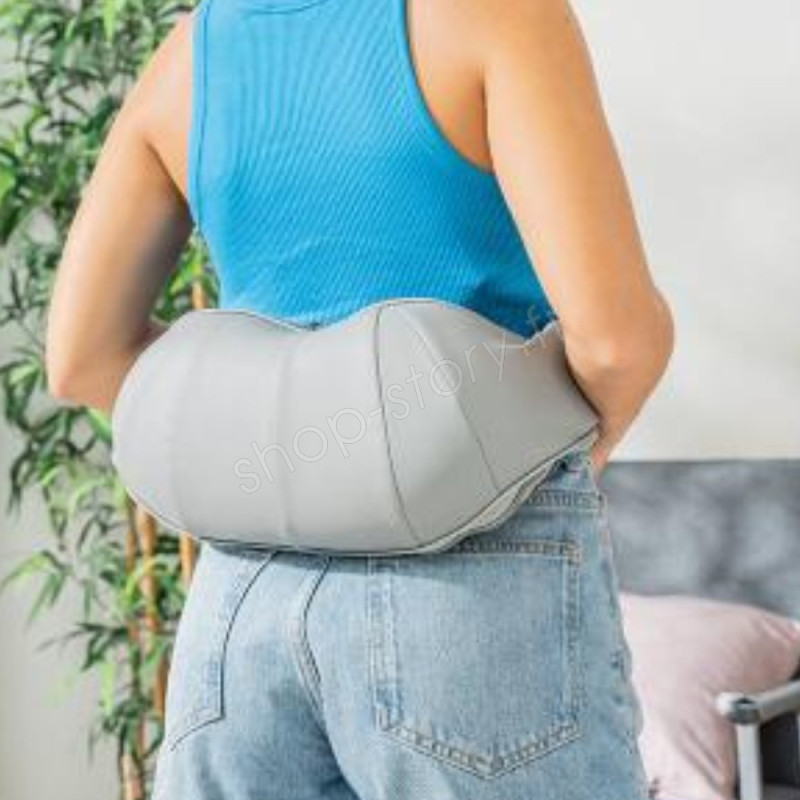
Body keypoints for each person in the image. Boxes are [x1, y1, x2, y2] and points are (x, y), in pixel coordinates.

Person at [45, 0, 674, 797]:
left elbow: (81, 360)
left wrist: (282, 444)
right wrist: (538, 447)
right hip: (472, 566)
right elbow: (619, 341)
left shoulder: (192, 54)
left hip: (242, 599)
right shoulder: (497, 16)